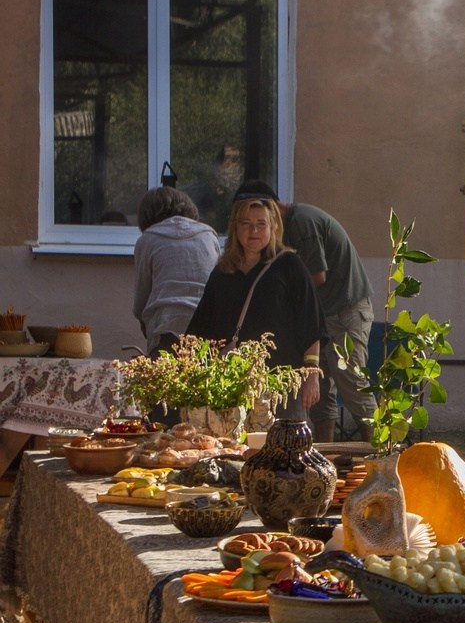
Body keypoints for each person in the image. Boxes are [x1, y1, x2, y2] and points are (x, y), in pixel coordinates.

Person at [233, 180, 376, 443]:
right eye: (244, 221)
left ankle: (382, 457)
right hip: (322, 316)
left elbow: (316, 276)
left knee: (351, 382)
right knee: (319, 391)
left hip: (344, 310)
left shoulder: (301, 221)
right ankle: (324, 454)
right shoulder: (281, 231)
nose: (254, 226)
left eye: (260, 218)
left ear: (274, 209)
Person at [186, 195, 324, 421]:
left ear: (273, 227)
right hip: (232, 384)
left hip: (281, 384)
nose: (254, 231)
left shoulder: (289, 266)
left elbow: (311, 323)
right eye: (246, 224)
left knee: (286, 448)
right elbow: (201, 330)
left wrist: (312, 376)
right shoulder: (223, 273)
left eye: (261, 224)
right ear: (235, 228)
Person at [131, 186, 220, 358]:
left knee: (163, 383)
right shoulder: (209, 236)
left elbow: (141, 297)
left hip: (166, 326)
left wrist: (145, 323)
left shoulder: (148, 239)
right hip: (208, 326)